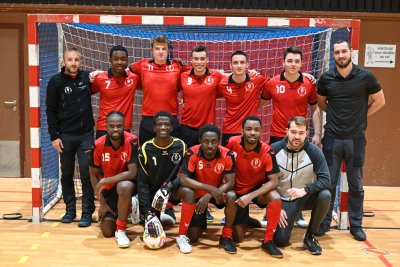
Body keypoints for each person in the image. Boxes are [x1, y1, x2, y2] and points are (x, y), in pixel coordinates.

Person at [317, 40, 385, 241]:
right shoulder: (326, 78)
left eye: (343, 51)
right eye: (337, 52)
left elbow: (380, 101)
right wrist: (339, 118)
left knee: (356, 184)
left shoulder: (366, 76)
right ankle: (324, 222)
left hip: (356, 140)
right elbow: (322, 103)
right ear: (334, 55)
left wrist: (361, 116)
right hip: (332, 139)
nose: (340, 55)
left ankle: (356, 225)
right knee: (328, 182)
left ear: (350, 53)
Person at [261, 46, 321, 227]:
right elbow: (259, 104)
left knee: (301, 176)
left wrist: (317, 133)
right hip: (277, 136)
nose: (293, 64)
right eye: (289, 61)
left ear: (302, 63)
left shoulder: (309, 84)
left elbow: (315, 109)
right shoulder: (271, 83)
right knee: (275, 177)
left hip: (299, 138)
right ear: (283, 62)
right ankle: (270, 210)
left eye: (296, 61)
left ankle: (298, 212)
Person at [46, 47, 95, 227]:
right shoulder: (55, 82)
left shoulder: (86, 78)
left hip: (86, 135)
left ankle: (87, 212)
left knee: (85, 174)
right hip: (65, 136)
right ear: (63, 62)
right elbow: (50, 110)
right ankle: (70, 210)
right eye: (70, 59)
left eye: (76, 60)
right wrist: (54, 136)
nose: (73, 63)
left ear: (80, 62)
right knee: (66, 174)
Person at [272, 116, 331, 255]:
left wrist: (305, 190)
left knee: (325, 195)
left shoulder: (315, 152)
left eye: (301, 133)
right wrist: (275, 204)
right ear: (286, 131)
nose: (297, 136)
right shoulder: (273, 150)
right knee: (280, 241)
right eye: (293, 132)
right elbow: (265, 181)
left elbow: (326, 180)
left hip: (305, 196)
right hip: (284, 200)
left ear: (306, 134)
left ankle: (310, 236)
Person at [225, 116, 282, 258]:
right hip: (237, 190)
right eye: (249, 129)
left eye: (257, 130)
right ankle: (244, 219)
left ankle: (268, 241)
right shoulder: (232, 142)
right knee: (238, 237)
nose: (252, 133)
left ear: (261, 132)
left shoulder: (267, 151)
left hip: (256, 190)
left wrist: (251, 196)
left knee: (275, 196)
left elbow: (274, 181)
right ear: (242, 131)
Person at [178, 124, 238, 254]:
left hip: (218, 193)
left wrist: (210, 194)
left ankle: (226, 236)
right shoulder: (191, 152)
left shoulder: (227, 154)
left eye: (213, 141)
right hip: (199, 195)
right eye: (206, 141)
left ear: (219, 142)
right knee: (193, 237)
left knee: (232, 196)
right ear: (200, 141)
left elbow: (230, 183)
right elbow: (183, 179)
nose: (210, 145)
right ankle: (201, 222)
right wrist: (210, 189)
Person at [89, 111, 139, 248]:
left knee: (124, 186)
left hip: (129, 186)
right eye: (111, 126)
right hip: (111, 191)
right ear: (105, 127)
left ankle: (121, 229)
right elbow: (92, 174)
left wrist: (106, 180)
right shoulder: (98, 144)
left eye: (119, 126)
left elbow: (132, 172)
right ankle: (126, 210)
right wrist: (103, 203)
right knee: (107, 231)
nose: (115, 129)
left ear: (125, 126)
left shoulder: (132, 140)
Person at [129, 35, 190, 144]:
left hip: (170, 119)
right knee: (145, 156)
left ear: (168, 50)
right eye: (157, 48)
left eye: (163, 48)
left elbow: (196, 73)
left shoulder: (177, 66)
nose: (160, 52)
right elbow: (125, 72)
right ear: (152, 50)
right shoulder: (142, 64)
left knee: (172, 157)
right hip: (148, 120)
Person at [137, 111, 187, 226]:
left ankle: (183, 233)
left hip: (171, 191)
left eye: (167, 124)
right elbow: (142, 182)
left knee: (188, 192)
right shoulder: (145, 149)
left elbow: (186, 175)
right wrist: (146, 211)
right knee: (153, 227)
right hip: (152, 193)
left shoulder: (181, 146)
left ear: (172, 127)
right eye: (159, 125)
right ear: (154, 128)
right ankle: (146, 210)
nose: (163, 127)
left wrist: (169, 186)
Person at [217, 51, 267, 146]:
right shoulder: (222, 84)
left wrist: (258, 105)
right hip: (229, 130)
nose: (239, 66)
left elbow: (270, 91)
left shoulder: (257, 79)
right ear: (231, 65)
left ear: (247, 64)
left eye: (242, 62)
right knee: (228, 160)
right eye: (235, 63)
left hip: (250, 130)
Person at [90, 45, 140, 139]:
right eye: (116, 59)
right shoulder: (100, 78)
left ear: (127, 61)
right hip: (104, 128)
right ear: (110, 60)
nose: (120, 62)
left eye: (123, 59)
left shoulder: (134, 78)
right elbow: (87, 92)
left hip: (124, 128)